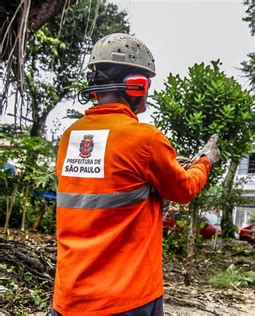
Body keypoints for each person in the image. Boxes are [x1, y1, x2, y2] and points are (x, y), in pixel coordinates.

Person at [52, 33, 220, 315]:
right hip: (126, 299)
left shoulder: (71, 138)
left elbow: (107, 182)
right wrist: (204, 161)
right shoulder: (145, 140)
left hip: (69, 297)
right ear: (137, 86)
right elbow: (184, 190)